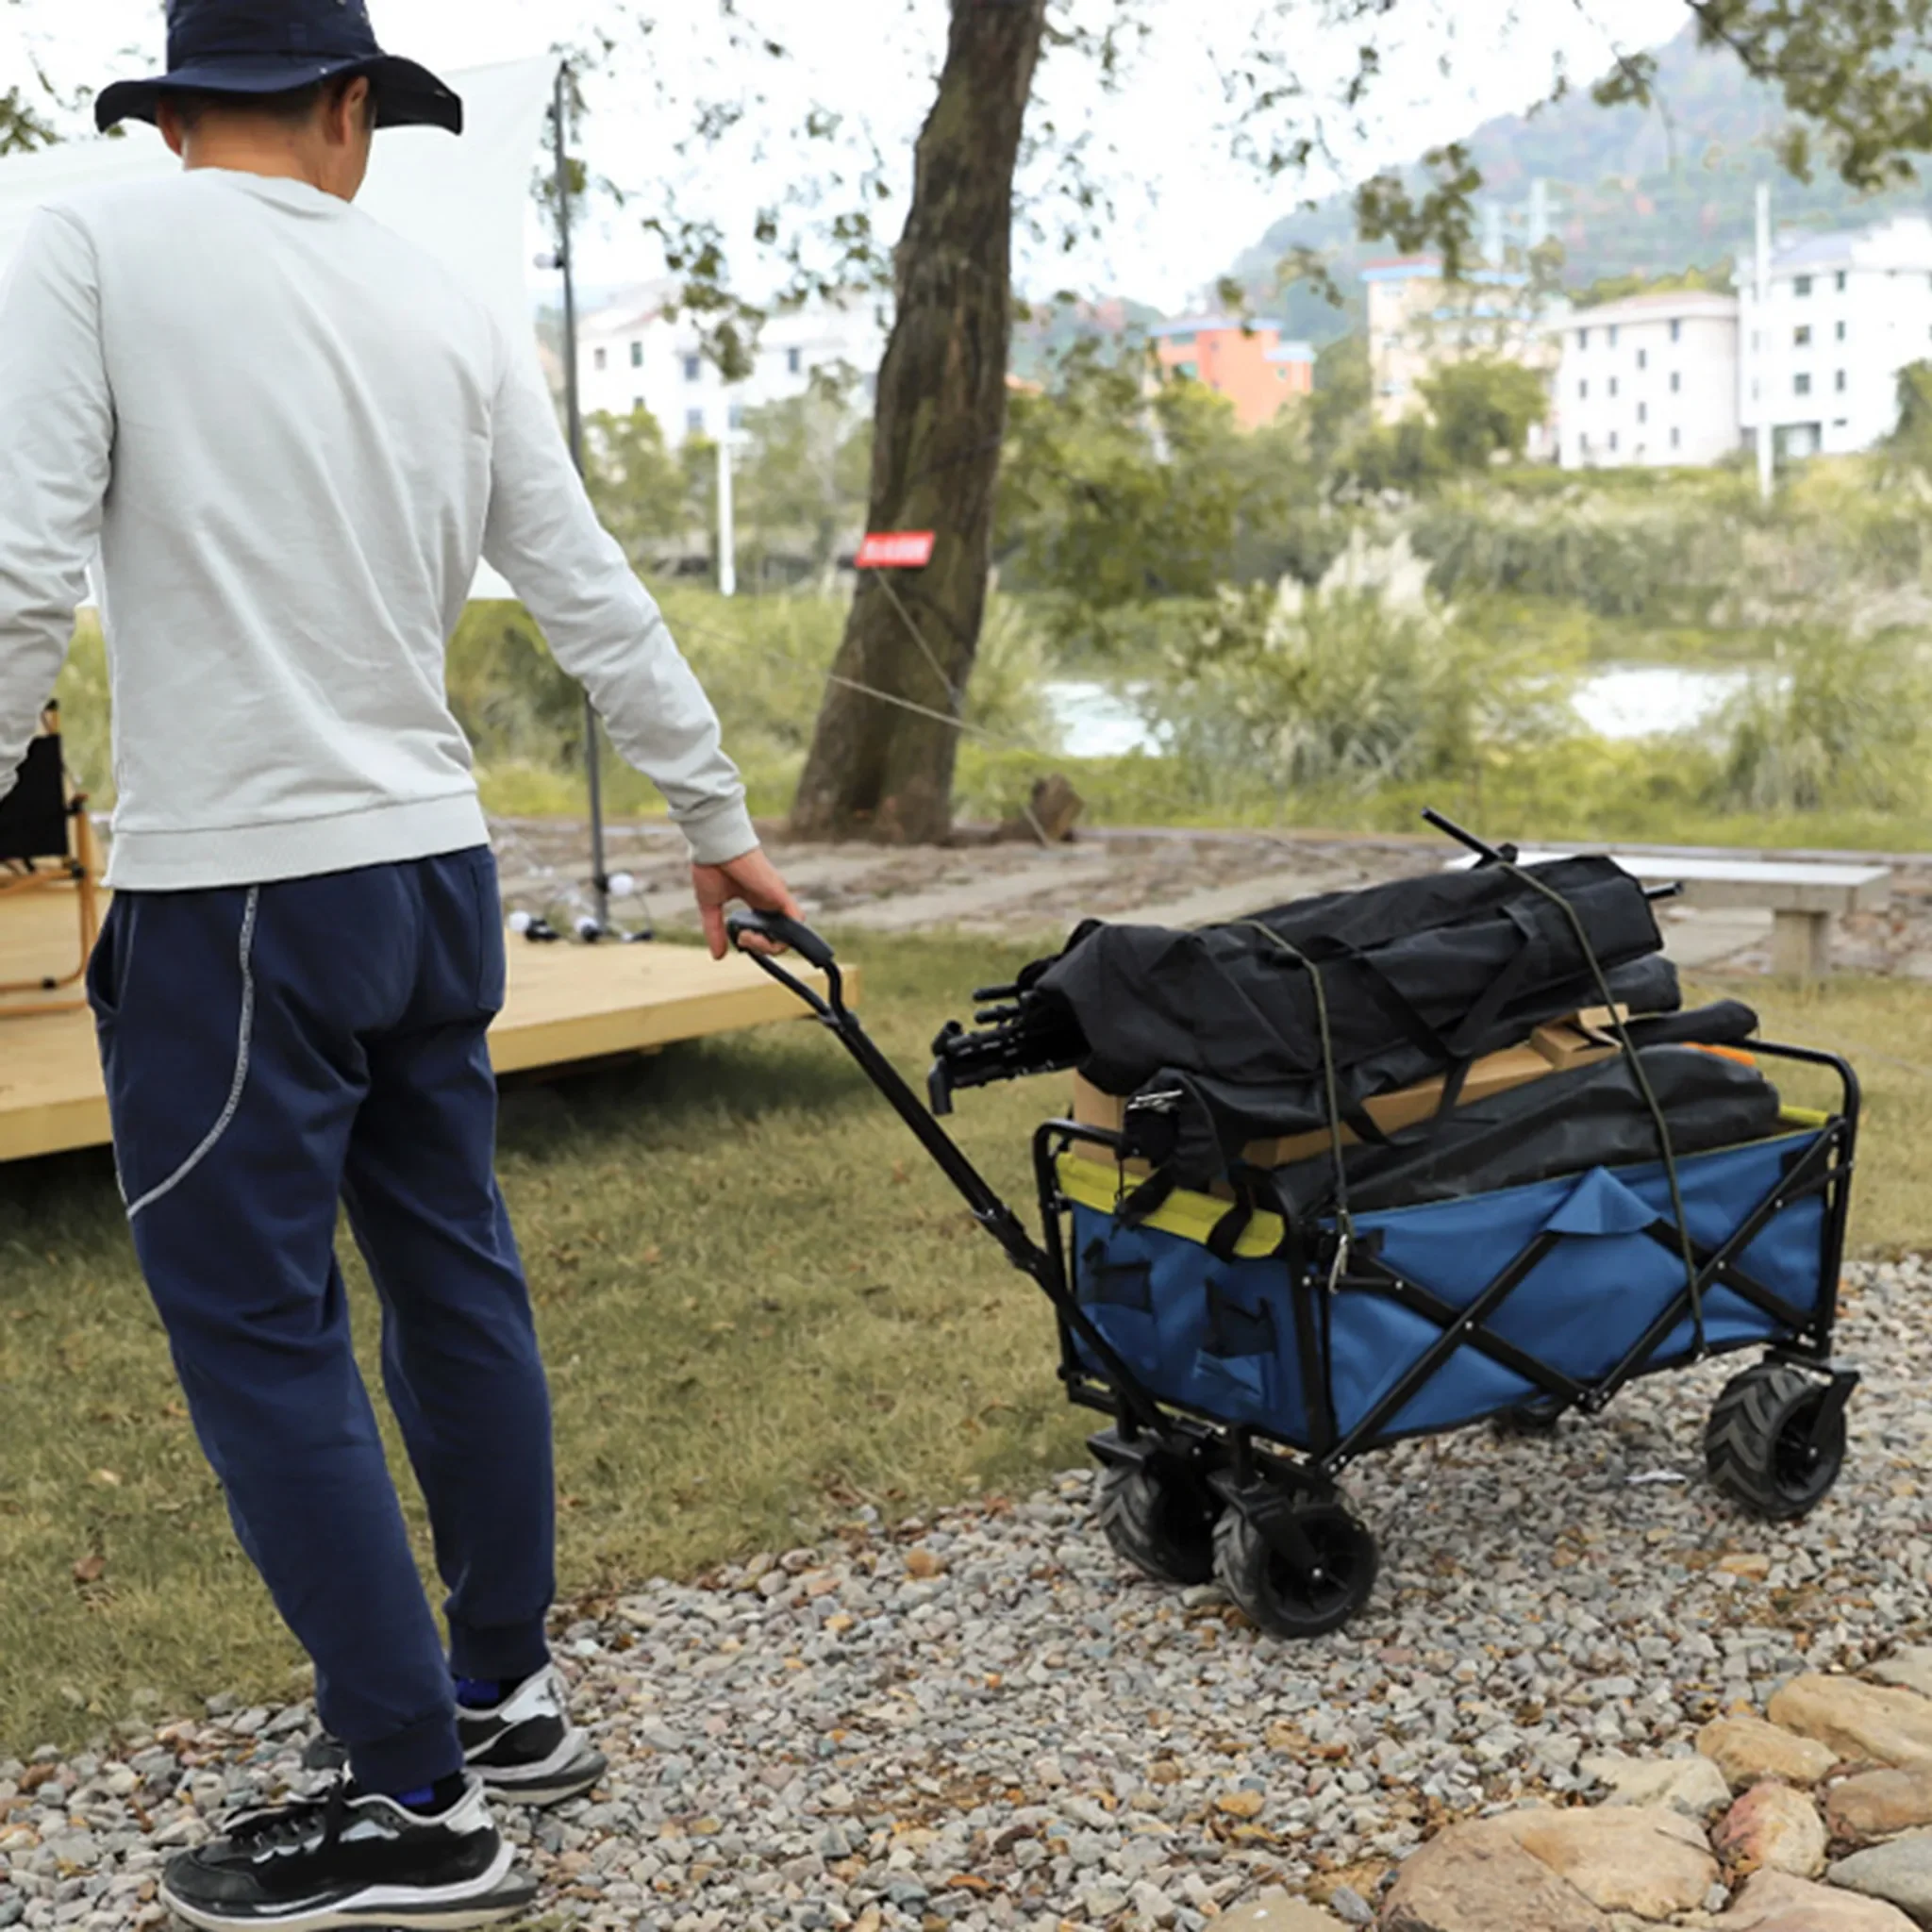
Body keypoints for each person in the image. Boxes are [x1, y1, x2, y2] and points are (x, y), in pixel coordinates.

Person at [0, 2, 804, 1926]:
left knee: (259, 1329)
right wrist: (716, 824)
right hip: (435, 874)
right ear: (349, 107)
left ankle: (414, 1801)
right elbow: (587, 586)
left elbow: (19, 576)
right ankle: (499, 1695)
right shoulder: (444, 301)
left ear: (174, 112)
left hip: (241, 899)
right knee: (452, 1273)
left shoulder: (84, 242)